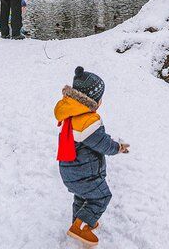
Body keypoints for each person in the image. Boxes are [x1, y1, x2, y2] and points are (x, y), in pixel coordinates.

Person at [54, 67, 129, 246]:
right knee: (102, 197)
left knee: (82, 197)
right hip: (85, 172)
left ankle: (79, 221)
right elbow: (102, 143)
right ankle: (80, 227)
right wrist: (117, 147)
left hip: (71, 170)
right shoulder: (87, 120)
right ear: (93, 99)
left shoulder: (72, 114)